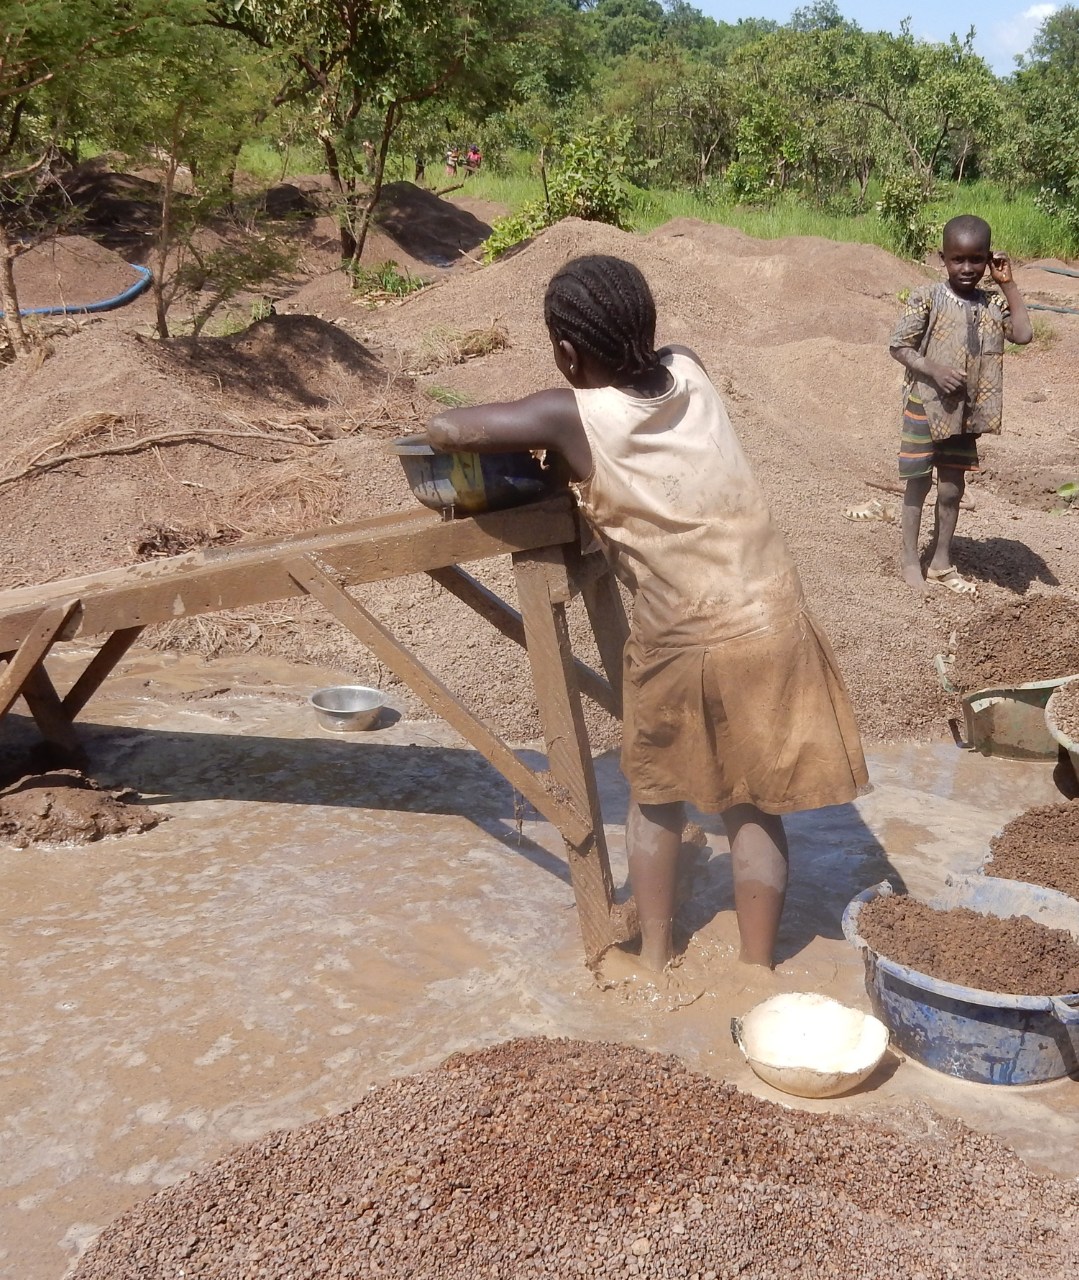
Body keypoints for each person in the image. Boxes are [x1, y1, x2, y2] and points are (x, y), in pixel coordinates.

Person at [425, 254, 868, 972]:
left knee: (658, 799)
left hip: (686, 636)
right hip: (776, 616)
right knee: (753, 806)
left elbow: (449, 428)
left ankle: (655, 959)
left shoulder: (569, 416)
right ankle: (756, 973)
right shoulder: (689, 367)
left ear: (566, 352)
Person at [888, 215, 1034, 594]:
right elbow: (898, 346)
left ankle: (940, 560)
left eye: (976, 259)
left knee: (952, 489)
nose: (967, 268)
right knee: (917, 484)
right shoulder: (926, 297)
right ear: (943, 258)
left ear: (988, 259)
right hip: (926, 404)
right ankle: (909, 560)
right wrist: (932, 369)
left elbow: (1023, 334)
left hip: (965, 413)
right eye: (958, 260)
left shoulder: (993, 304)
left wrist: (1010, 284)